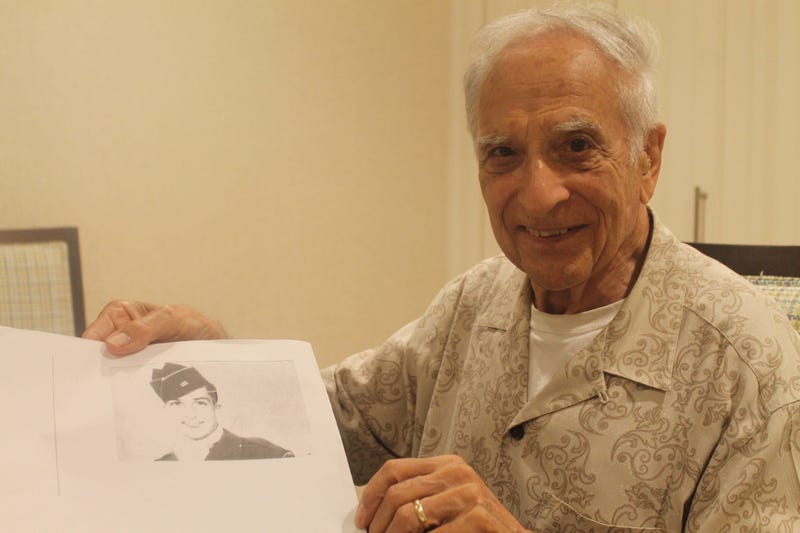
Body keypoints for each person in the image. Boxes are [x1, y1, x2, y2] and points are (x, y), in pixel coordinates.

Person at [83, 3, 800, 531]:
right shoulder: (473, 306)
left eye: (577, 146)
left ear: (648, 157)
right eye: (503, 153)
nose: (539, 192)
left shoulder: (750, 362)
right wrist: (214, 351)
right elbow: (325, 419)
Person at [149, 362, 294, 461]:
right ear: (166, 411)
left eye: (200, 403)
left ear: (216, 407)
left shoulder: (266, 454)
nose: (190, 414)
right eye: (177, 404)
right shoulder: (162, 466)